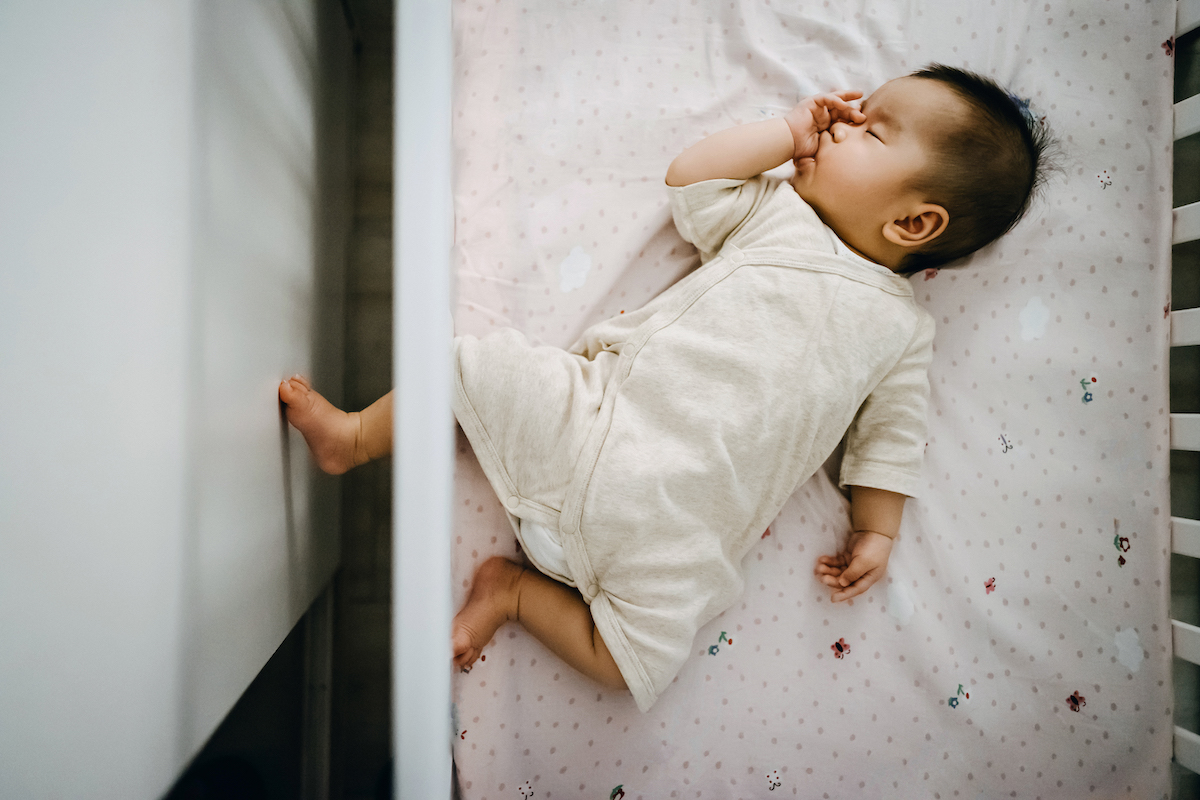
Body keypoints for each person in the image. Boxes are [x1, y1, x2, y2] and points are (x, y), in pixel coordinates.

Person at [280, 64, 1055, 713]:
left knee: (637, 666)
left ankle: (512, 592)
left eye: (871, 127)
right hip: (593, 421)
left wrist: (876, 529)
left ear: (915, 224)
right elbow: (692, 179)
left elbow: (891, 439)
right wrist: (786, 134)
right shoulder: (775, 213)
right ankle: (353, 439)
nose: (840, 119)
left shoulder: (899, 332)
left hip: (678, 529)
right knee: (472, 368)